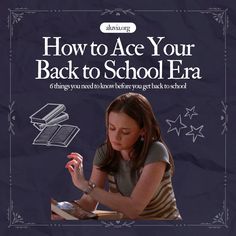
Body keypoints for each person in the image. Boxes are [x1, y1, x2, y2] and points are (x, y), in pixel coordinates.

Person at [65, 92, 181, 220]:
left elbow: (133, 209)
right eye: (112, 128)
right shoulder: (105, 152)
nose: (115, 137)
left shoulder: (156, 151)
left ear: (143, 130)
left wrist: (84, 185)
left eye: (125, 132)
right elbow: (88, 203)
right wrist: (58, 209)